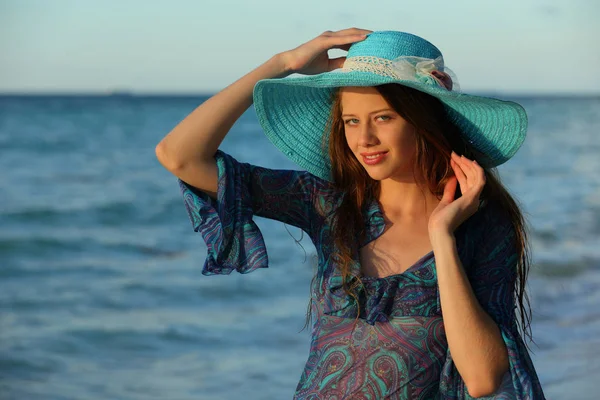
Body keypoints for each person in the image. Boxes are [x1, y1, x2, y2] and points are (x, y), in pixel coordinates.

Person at [156, 29, 546, 399]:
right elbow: (179, 156)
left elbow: (482, 379)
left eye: (383, 117)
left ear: (424, 119)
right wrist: (282, 63)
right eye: (351, 121)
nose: (364, 140)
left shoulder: (483, 224)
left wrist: (443, 239)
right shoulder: (329, 204)